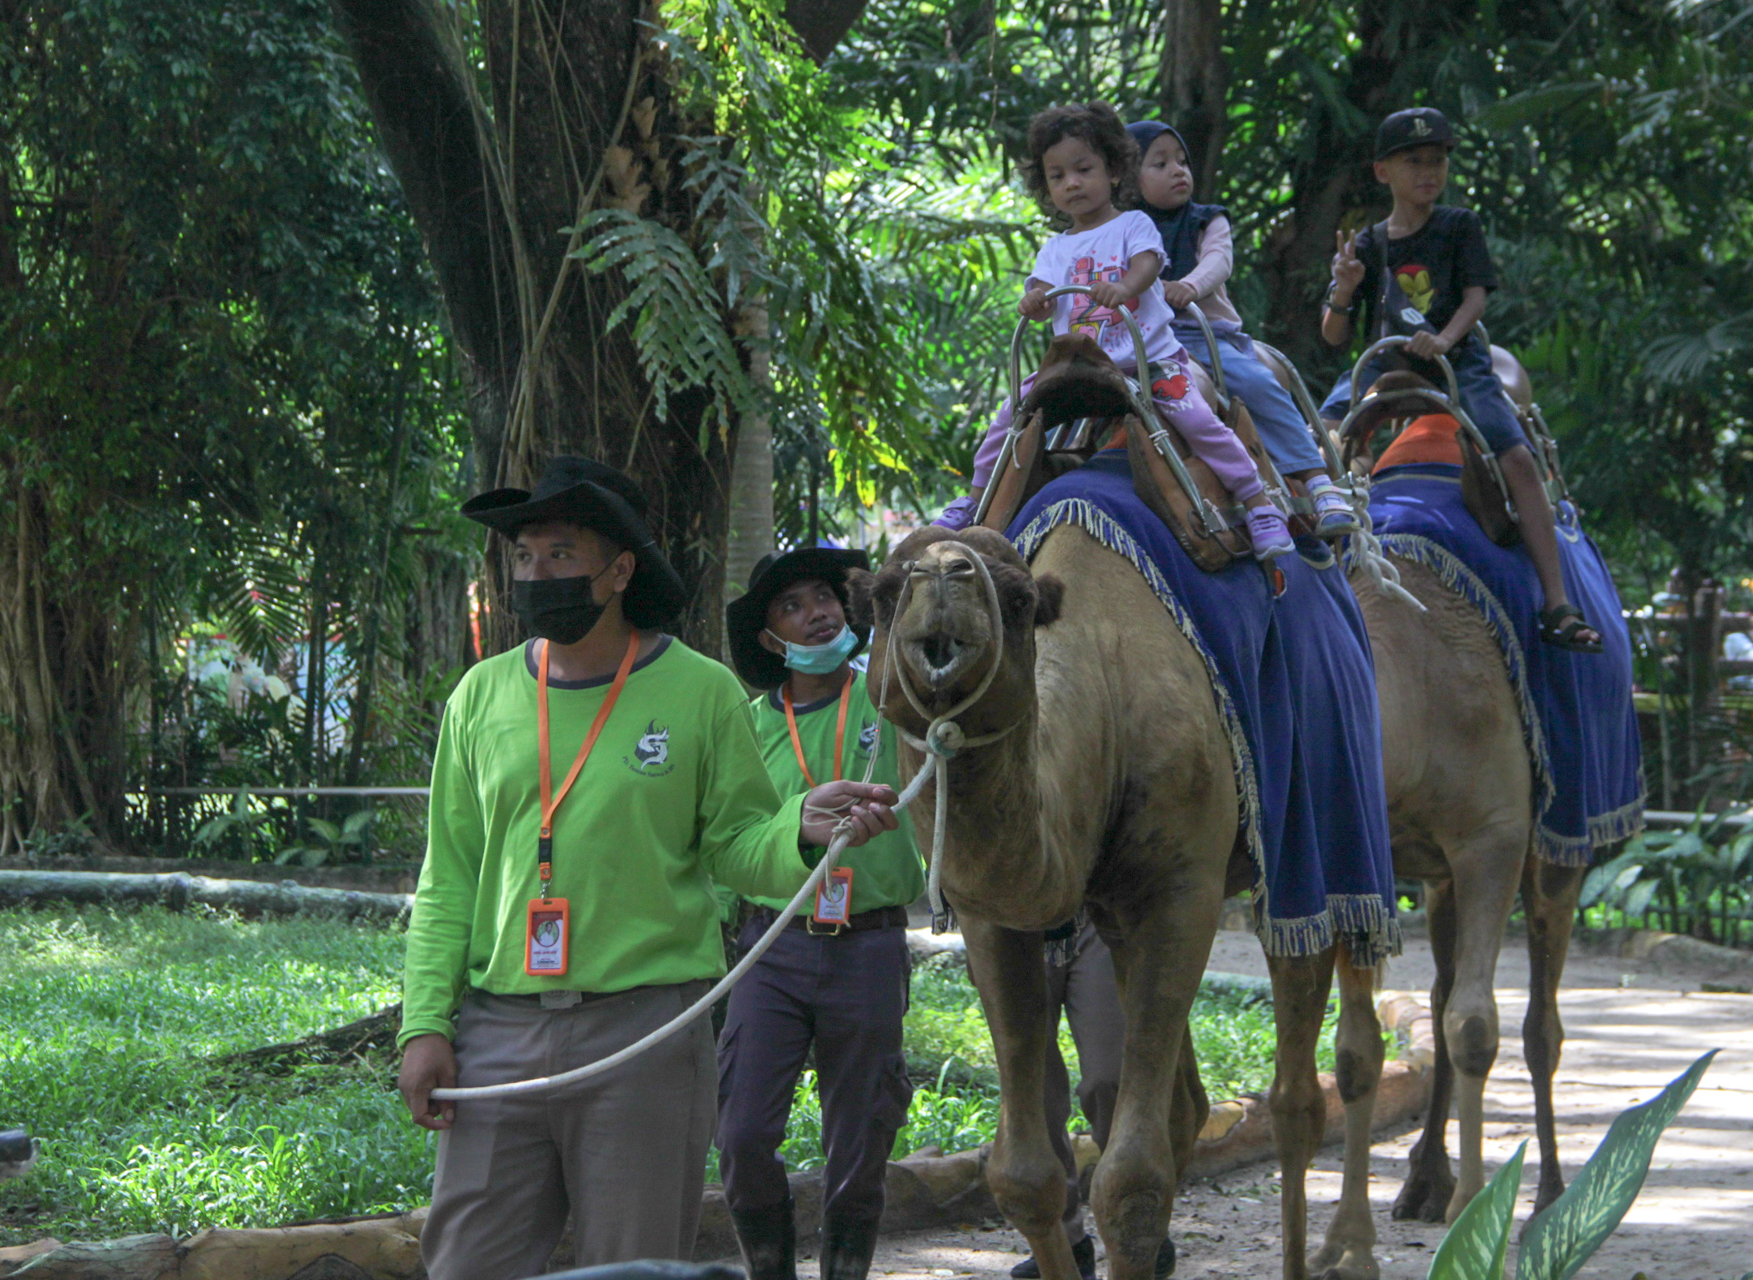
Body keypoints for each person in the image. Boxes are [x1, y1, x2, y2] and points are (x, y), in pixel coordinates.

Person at [397, 457, 900, 1280]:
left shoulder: (699, 692)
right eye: (523, 556)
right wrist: (425, 1025)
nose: (535, 574)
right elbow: (447, 877)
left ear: (620, 568)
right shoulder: (479, 698)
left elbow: (736, 846)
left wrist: (800, 832)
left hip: (645, 1037)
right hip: (496, 1036)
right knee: (465, 1266)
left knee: (634, 1270)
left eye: (560, 553)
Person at [933, 101, 1294, 560]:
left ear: (1114, 171)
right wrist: (1035, 302)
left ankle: (1258, 502)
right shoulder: (1056, 246)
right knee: (1009, 416)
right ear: (1046, 187)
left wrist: (1124, 286)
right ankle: (975, 497)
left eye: (1083, 169)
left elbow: (1148, 263)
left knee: (1199, 421)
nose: (1072, 183)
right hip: (1078, 365)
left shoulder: (1133, 224)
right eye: (1058, 176)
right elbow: (1043, 295)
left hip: (1147, 362)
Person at [1318, 107, 1601, 653]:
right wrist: (1345, 287)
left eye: (1438, 161)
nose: (1429, 172)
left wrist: (1445, 340)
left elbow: (1475, 297)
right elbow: (1334, 335)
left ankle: (1558, 600)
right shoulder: (1371, 244)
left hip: (1458, 360)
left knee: (1516, 456)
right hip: (1387, 360)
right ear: (1383, 172)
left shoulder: (1457, 226)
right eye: (1414, 162)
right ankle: (1307, 576)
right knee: (1323, 439)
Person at [718, 548, 925, 1280]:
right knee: (741, 1134)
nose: (819, 612)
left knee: (861, 1142)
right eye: (794, 606)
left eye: (827, 597)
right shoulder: (745, 725)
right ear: (773, 641)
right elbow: (727, 840)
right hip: (769, 945)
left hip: (868, 942)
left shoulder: (888, 693)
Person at [1126, 120, 1357, 539]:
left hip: (1203, 334)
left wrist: (1189, 287)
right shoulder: (1120, 227)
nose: (1178, 170)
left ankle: (1318, 482)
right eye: (1160, 164)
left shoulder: (1207, 219)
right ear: (1127, 178)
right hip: (1136, 338)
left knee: (1255, 381)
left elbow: (1219, 261)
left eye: (1181, 161)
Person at [1010, 917, 1175, 1280]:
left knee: (1110, 1079)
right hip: (1018, 920)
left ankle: (1137, 1215)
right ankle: (1064, 1239)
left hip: (1097, 916)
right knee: (1035, 1091)